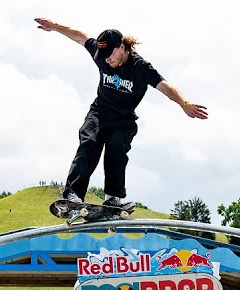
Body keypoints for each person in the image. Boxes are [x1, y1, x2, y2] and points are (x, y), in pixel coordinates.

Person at [34, 18, 208, 210]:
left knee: (116, 148)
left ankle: (113, 198)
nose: (107, 60)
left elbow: (164, 86)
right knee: (89, 142)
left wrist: (184, 103)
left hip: (124, 119)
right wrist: (55, 27)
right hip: (99, 112)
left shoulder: (140, 67)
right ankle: (73, 194)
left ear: (122, 47)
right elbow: (79, 36)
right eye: (104, 56)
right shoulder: (100, 54)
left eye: (111, 55)